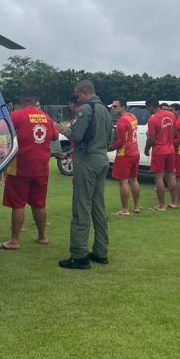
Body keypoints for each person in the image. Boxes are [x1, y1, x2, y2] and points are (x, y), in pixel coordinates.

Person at [56, 80, 111, 269]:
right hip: (102, 159)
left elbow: (77, 136)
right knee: (98, 206)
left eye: (77, 94)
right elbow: (109, 138)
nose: (76, 98)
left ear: (83, 92)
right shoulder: (105, 109)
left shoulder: (86, 109)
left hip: (87, 161)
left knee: (81, 206)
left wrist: (65, 130)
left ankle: (79, 255)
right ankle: (101, 251)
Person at [0, 93, 57, 250]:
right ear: (35, 102)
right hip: (42, 167)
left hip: (21, 166)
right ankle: (42, 236)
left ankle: (14, 241)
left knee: (18, 204)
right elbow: (55, 137)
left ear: (22, 102)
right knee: (39, 203)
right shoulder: (46, 117)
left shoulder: (16, 115)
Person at [108, 98, 140, 215]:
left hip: (124, 154)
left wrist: (110, 148)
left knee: (123, 182)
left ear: (122, 106)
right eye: (112, 106)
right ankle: (136, 206)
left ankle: (125, 209)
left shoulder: (121, 121)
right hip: (135, 151)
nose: (113, 108)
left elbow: (121, 141)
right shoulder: (132, 117)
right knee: (134, 179)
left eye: (115, 106)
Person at [143, 98, 176, 211]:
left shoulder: (152, 120)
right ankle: (174, 202)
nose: (147, 110)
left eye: (147, 108)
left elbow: (151, 138)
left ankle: (162, 204)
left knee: (158, 178)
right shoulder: (171, 115)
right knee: (170, 176)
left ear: (150, 106)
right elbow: (175, 131)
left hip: (159, 150)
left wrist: (147, 149)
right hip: (170, 149)